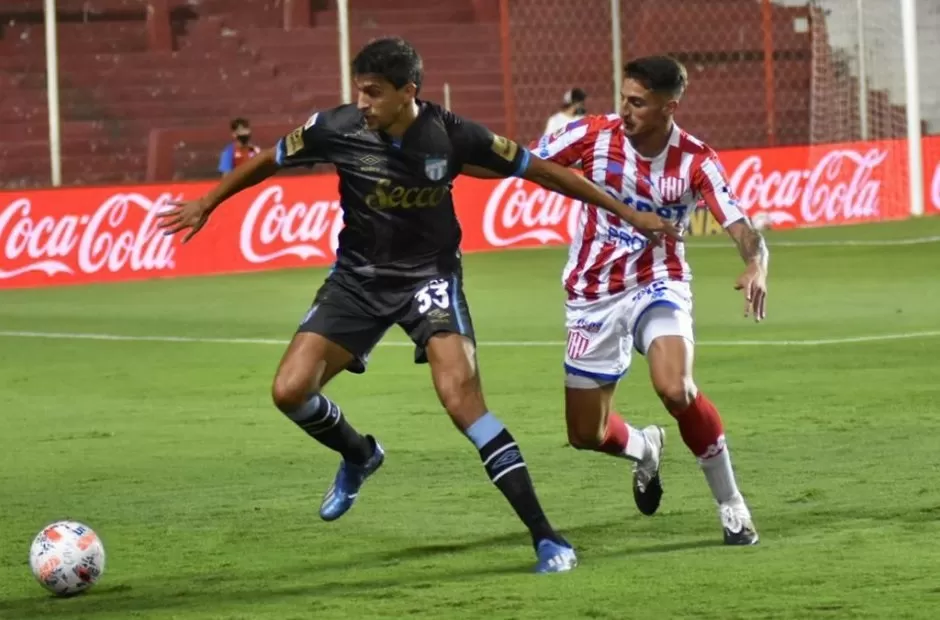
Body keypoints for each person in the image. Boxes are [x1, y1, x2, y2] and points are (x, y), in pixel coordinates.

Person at [157, 37, 679, 573]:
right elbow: (271, 158)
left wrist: (629, 213)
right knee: (289, 391)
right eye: (358, 90)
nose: (362, 102)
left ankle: (546, 536)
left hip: (429, 279)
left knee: (462, 403)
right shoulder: (335, 127)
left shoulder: (453, 135)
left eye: (373, 93)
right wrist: (207, 202)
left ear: (409, 91)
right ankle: (359, 454)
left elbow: (543, 172)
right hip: (357, 280)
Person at [530, 56, 768, 545]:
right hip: (592, 294)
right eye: (623, 98)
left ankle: (731, 504)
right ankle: (644, 448)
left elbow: (742, 226)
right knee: (585, 434)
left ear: (669, 106)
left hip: (659, 282)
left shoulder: (696, 160)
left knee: (675, 387)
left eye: (638, 102)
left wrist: (756, 263)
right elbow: (524, 162)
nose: (626, 110)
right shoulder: (593, 135)